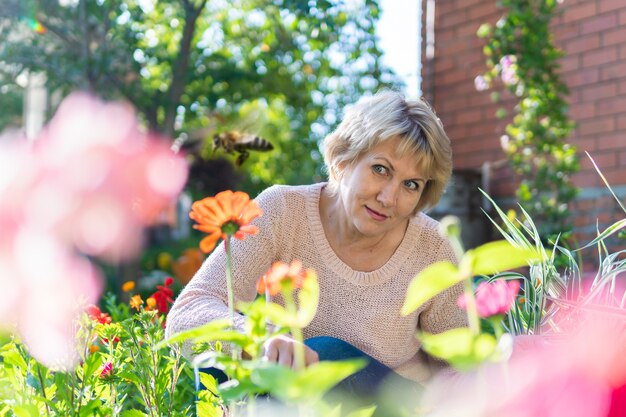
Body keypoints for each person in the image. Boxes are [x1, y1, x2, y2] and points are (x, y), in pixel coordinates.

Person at [165, 90, 467, 397]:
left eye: (410, 185)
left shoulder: (433, 248)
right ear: (344, 159)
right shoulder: (282, 210)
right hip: (293, 399)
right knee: (218, 357)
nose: (388, 198)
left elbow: (461, 366)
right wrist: (256, 338)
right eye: (380, 169)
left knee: (326, 353)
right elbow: (188, 312)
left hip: (392, 405)